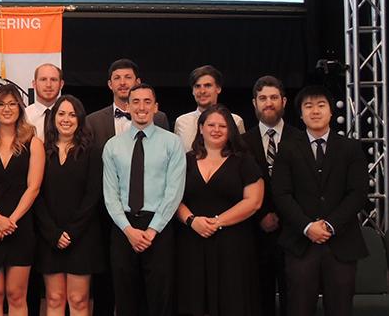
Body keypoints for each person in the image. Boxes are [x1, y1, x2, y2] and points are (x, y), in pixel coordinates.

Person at [272, 85, 369, 316]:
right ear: (301, 114)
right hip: (300, 243)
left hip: (342, 243)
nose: (315, 111)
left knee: (340, 309)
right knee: (299, 308)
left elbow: (358, 193)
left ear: (331, 112)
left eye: (321, 105)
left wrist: (329, 225)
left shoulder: (351, 147)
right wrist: (307, 226)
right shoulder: (286, 149)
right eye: (309, 106)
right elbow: (281, 194)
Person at [85, 58, 168, 315]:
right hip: (105, 212)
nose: (123, 82)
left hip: (152, 215)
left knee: (154, 287)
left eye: (128, 77)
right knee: (112, 283)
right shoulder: (92, 120)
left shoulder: (161, 119)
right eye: (117, 78)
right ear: (110, 84)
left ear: (138, 83)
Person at [102, 84, 186, 316]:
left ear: (156, 107)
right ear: (127, 106)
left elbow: (174, 191)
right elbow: (110, 195)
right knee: (126, 299)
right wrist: (129, 230)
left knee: (161, 300)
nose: (141, 107)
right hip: (123, 228)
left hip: (159, 228)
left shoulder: (172, 143)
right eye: (136, 101)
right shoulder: (112, 146)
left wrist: (152, 230)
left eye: (147, 101)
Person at [175, 104, 264, 316]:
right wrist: (192, 220)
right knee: (192, 300)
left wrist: (217, 221)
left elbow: (254, 201)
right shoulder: (184, 160)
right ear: (201, 128)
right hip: (191, 242)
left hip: (232, 245)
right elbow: (172, 198)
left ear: (230, 130)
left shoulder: (244, 161)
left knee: (231, 300)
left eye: (222, 126)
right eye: (211, 125)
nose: (216, 129)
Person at [0, 84, 46, 316]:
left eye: (12, 104)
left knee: (16, 295)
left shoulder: (34, 142)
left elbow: (33, 188)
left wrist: (10, 222)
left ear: (20, 108)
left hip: (20, 225)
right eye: (1, 104)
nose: (7, 109)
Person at [34, 95, 105, 316]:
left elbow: (93, 197)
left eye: (72, 114)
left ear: (80, 119)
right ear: (53, 118)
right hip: (49, 236)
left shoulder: (93, 152)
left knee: (79, 299)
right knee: (54, 298)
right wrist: (53, 233)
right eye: (61, 114)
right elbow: (35, 194)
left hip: (82, 236)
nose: (66, 119)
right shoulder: (41, 151)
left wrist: (71, 232)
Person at [241, 75, 299, 316]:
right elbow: (238, 188)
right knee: (259, 301)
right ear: (254, 103)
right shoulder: (242, 143)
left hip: (294, 233)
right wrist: (261, 215)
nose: (268, 103)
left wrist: (285, 216)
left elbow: (306, 187)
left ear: (283, 101)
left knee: (294, 301)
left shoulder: (301, 139)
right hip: (255, 235)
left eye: (273, 97)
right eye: (262, 98)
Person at [174, 65, 246, 151]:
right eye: (197, 86)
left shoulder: (235, 121)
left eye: (207, 85)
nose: (202, 91)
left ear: (218, 88)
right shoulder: (181, 122)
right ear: (192, 91)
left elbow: (241, 155)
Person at [26, 63, 65, 140]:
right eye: (43, 79)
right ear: (34, 84)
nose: (48, 85)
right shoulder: (24, 117)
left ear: (61, 84)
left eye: (53, 80)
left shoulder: (70, 118)